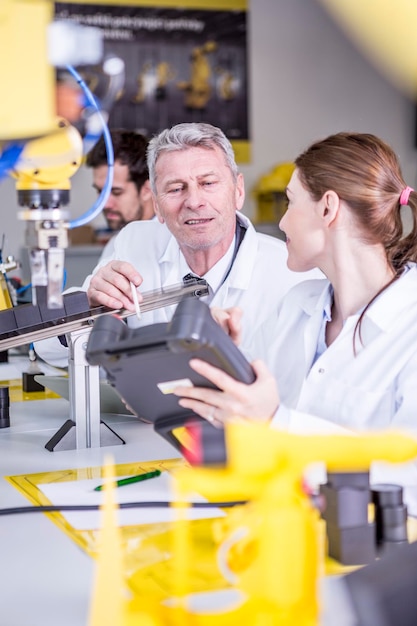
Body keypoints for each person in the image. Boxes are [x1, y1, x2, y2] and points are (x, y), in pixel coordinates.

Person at [171, 132, 417, 513]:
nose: (282, 221)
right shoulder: (297, 305)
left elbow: (410, 482)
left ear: (327, 208)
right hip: (279, 530)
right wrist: (226, 362)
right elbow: (244, 422)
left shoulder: (410, 326)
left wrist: (275, 421)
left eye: (290, 202)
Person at [34, 122, 319, 367]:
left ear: (238, 191)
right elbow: (47, 349)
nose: (194, 201)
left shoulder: (294, 274)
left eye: (208, 183)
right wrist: (89, 308)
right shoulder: (135, 242)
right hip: (142, 428)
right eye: (175, 188)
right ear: (156, 204)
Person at [86, 128, 154, 260]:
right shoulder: (114, 247)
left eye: (116, 192)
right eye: (100, 191)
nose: (104, 203)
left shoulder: (175, 244)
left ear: (147, 189)